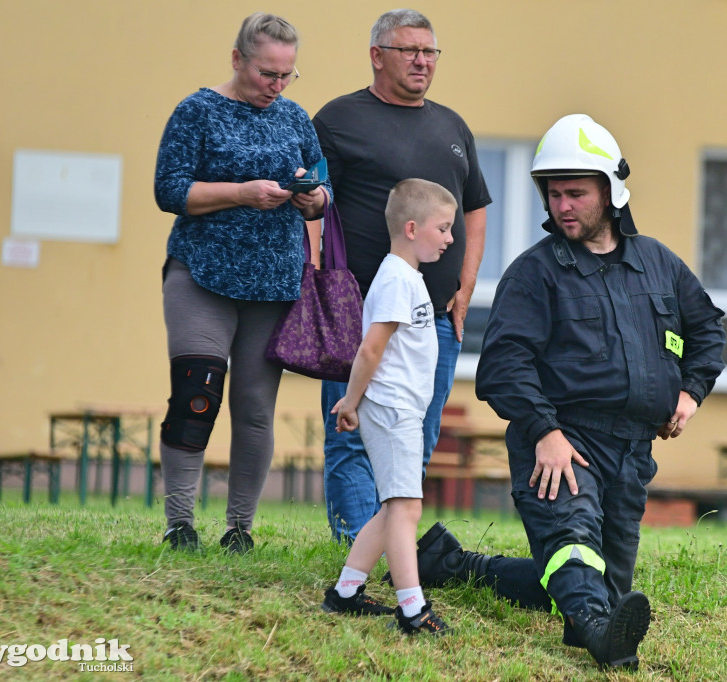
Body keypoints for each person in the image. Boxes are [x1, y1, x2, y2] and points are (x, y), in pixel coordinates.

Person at [409, 115, 726, 668]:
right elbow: (503, 367)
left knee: (590, 575)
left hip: (632, 454)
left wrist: (691, 393)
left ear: (611, 190)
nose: (562, 206)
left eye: (576, 193)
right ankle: (600, 639)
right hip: (562, 444)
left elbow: (708, 329)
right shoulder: (534, 274)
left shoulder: (657, 264)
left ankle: (456, 565)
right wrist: (547, 435)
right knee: (576, 550)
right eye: (553, 194)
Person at [312, 8, 491, 543]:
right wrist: (323, 290)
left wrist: (466, 285)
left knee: (417, 436)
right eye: (409, 50)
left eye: (430, 51)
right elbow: (314, 209)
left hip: (433, 319)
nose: (422, 61)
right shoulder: (338, 120)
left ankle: (393, 549)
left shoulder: (452, 126)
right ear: (376, 56)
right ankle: (356, 548)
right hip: (361, 313)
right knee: (351, 433)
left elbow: (475, 207)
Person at [153, 12, 329, 553]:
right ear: (238, 60)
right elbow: (169, 191)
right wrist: (240, 192)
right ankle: (179, 523)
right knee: (197, 393)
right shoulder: (196, 111)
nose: (276, 86)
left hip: (273, 285)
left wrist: (310, 198)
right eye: (266, 74)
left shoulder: (296, 118)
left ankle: (239, 530)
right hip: (201, 274)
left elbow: (322, 189)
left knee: (254, 408)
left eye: (286, 75)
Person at [321, 179, 456, 636]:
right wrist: (351, 401)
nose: (450, 238)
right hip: (392, 407)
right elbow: (370, 350)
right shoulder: (396, 279)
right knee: (406, 509)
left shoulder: (406, 276)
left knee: (392, 507)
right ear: (413, 228)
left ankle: (344, 593)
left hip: (402, 409)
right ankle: (413, 609)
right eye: (444, 228)